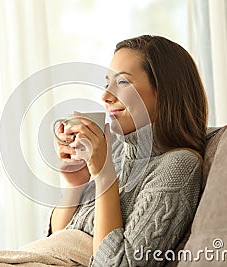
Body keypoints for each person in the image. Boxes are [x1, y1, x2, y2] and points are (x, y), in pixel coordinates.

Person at [48, 35, 208, 266]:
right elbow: (57, 238)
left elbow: (116, 263)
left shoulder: (178, 166)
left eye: (122, 82)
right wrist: (77, 183)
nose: (105, 96)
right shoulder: (113, 151)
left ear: (164, 90)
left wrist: (105, 177)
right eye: (107, 83)